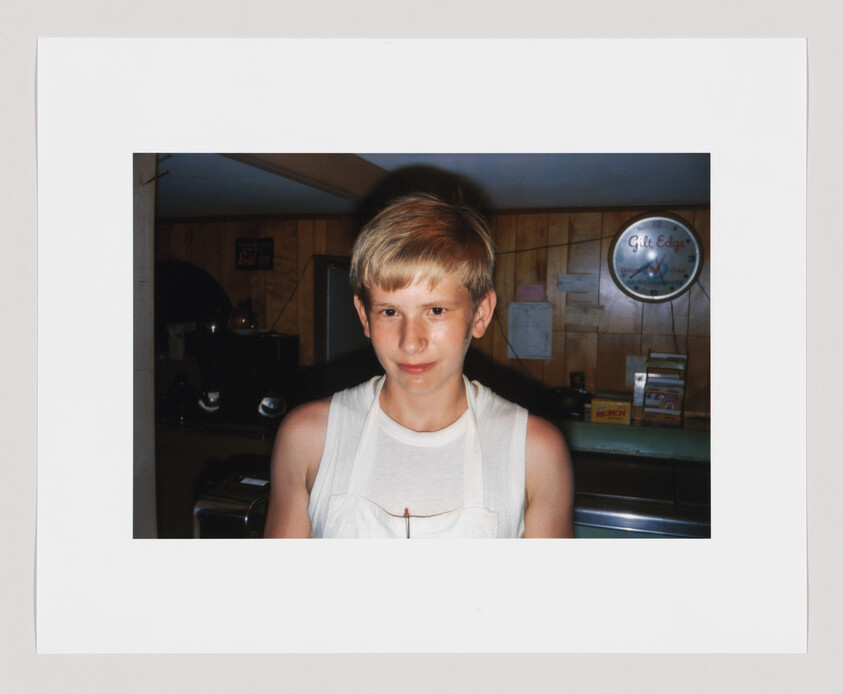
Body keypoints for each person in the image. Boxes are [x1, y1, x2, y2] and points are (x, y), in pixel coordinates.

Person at [263, 192, 573, 538]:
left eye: (436, 310)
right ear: (364, 316)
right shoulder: (307, 437)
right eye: (389, 311)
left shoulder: (535, 451)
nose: (410, 342)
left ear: (480, 314)